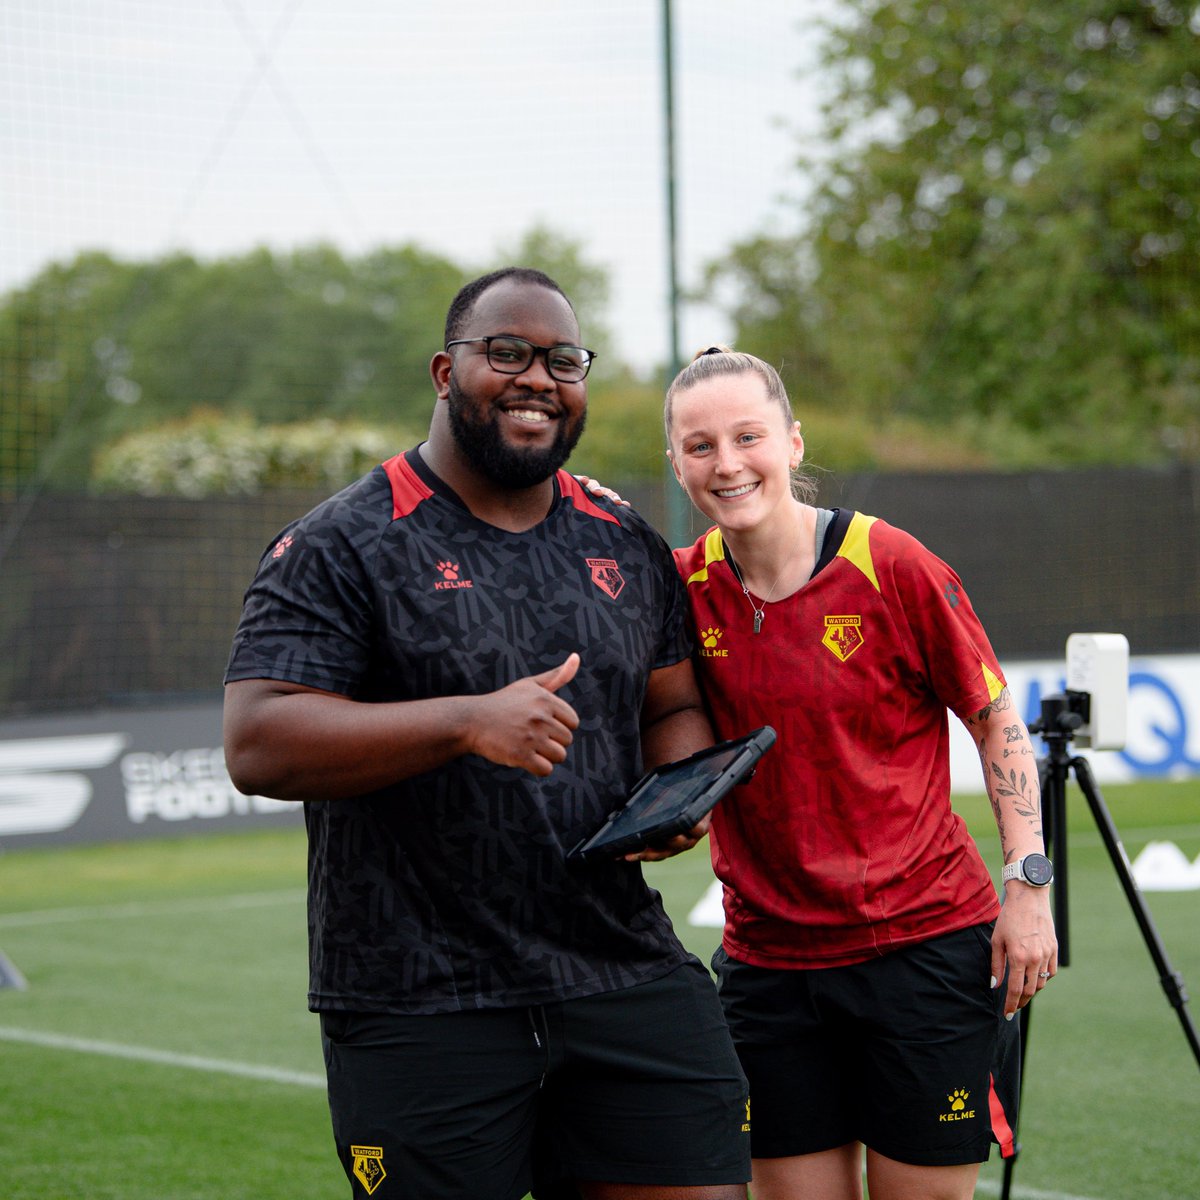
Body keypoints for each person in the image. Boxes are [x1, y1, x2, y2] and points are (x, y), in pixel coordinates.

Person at [222, 270, 750, 1200]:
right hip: (420, 995)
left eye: (562, 360)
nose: (537, 378)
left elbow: (671, 706)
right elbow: (258, 742)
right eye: (506, 353)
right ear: (443, 370)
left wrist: (674, 793)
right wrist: (468, 722)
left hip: (617, 967)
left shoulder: (624, 540)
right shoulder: (341, 544)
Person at [663, 347, 1058, 1200]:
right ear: (677, 464)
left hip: (923, 950)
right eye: (700, 447)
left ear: (794, 444)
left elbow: (996, 723)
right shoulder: (681, 589)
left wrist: (1028, 885)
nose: (727, 464)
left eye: (747, 436)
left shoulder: (892, 564)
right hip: (769, 966)